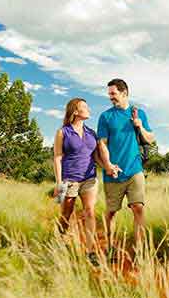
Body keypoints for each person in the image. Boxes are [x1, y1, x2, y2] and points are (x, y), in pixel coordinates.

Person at [97, 79, 155, 255]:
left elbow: (151, 139)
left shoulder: (139, 114)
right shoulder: (105, 116)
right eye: (109, 94)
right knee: (111, 213)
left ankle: (139, 251)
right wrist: (107, 165)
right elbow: (102, 144)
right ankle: (110, 247)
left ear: (124, 93)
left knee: (138, 208)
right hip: (113, 173)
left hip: (135, 169)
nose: (110, 98)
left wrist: (140, 127)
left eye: (113, 94)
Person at [53, 98, 102, 267]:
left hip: (89, 178)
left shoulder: (91, 133)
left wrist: (108, 168)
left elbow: (96, 156)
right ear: (75, 111)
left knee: (89, 211)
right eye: (85, 107)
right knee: (66, 213)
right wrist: (59, 182)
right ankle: (60, 239)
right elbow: (58, 157)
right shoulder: (63, 132)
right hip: (70, 179)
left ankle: (90, 251)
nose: (89, 110)